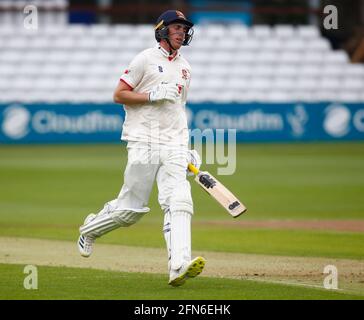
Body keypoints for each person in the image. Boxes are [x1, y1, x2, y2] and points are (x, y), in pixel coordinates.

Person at [77, 10, 206, 287]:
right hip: (143, 141)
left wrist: (186, 147)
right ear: (162, 31)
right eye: (176, 28)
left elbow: (177, 110)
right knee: (129, 211)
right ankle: (89, 230)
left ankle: (178, 264)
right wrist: (151, 95)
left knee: (179, 200)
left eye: (184, 29)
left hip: (173, 143)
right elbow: (118, 94)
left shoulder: (186, 68)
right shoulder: (145, 59)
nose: (182, 32)